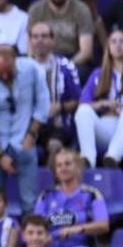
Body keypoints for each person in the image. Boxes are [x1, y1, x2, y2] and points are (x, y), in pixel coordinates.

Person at [0, 44, 49, 215]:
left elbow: (43, 104)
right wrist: (0, 156)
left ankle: (30, 230)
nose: (2, 75)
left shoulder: (32, 69)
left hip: (24, 140)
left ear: (14, 59)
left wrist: (31, 136)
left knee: (29, 202)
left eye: (6, 71)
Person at [33, 149, 109, 247]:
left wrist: (76, 229)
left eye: (68, 164)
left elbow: (103, 225)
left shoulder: (91, 194)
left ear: (78, 167)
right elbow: (35, 225)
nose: (63, 168)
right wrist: (43, 238)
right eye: (59, 165)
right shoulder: (47, 195)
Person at [75, 30, 123, 168]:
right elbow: (83, 103)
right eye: (114, 42)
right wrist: (103, 104)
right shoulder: (98, 74)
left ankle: (113, 157)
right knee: (83, 111)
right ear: (108, 48)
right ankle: (87, 159)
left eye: (122, 41)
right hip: (106, 126)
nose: (118, 45)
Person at [27, 22, 82, 163]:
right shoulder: (21, 67)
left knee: (54, 146)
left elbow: (78, 100)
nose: (39, 40)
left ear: (53, 40)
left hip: (57, 124)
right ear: (30, 41)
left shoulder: (66, 66)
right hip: (27, 123)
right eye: (35, 37)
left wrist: (60, 107)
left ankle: (50, 177)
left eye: (44, 36)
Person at [26, 0, 95, 76]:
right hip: (43, 56)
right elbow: (30, 47)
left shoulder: (81, 9)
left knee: (81, 71)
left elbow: (86, 52)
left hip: (72, 58)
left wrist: (64, 67)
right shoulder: (36, 9)